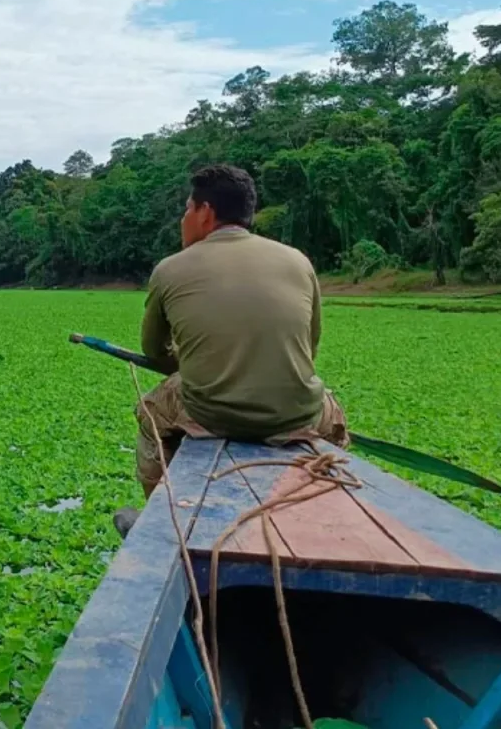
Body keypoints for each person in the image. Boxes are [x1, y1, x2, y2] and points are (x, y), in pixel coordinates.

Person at [114, 164, 348, 537]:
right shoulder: (298, 261)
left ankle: (160, 523)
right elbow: (310, 349)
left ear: (205, 212)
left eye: (187, 209)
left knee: (149, 411)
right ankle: (333, 505)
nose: (183, 218)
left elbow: (154, 351)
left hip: (212, 413)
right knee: (335, 416)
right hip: (299, 412)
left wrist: (196, 360)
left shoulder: (170, 269)